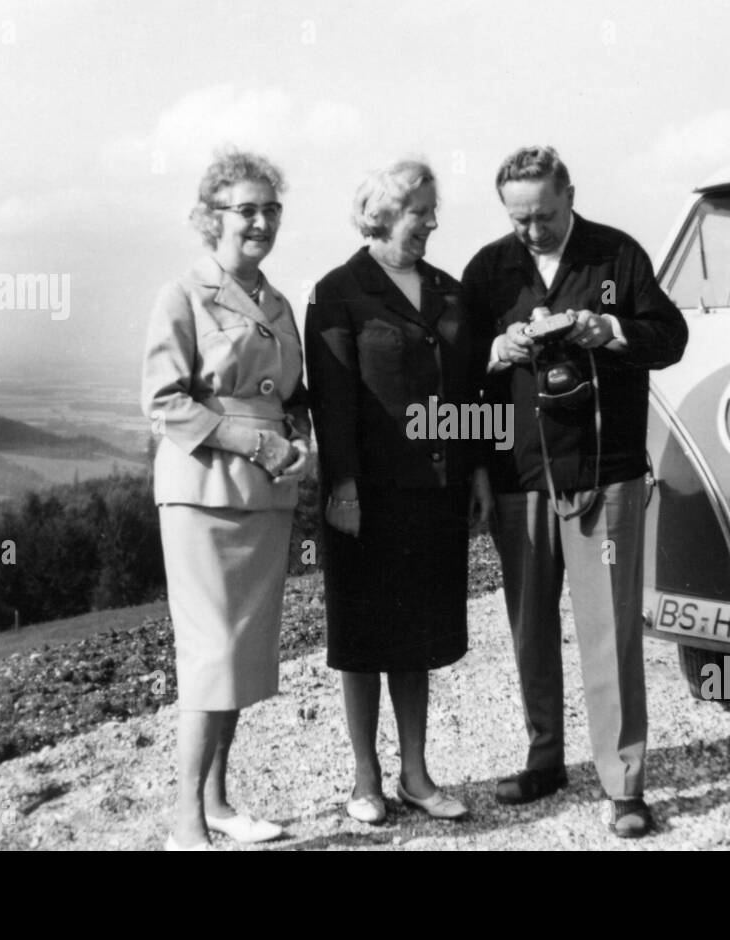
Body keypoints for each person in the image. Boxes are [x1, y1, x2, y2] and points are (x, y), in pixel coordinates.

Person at [460, 145, 688, 838]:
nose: (531, 231)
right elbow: (460, 368)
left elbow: (671, 335)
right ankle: (544, 760)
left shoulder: (617, 254)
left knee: (609, 631)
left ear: (570, 195)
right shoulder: (487, 268)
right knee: (529, 626)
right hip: (516, 475)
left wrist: (610, 330)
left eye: (544, 216)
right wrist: (498, 352)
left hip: (605, 472)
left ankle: (623, 785)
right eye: (519, 219)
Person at [305, 159, 492, 825]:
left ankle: (416, 774)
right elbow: (331, 405)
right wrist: (343, 490)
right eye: (421, 211)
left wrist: (472, 472)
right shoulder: (336, 292)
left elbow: (467, 390)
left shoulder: (448, 290)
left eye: (434, 210)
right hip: (364, 498)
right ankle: (366, 778)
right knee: (362, 639)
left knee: (418, 639)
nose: (433, 223)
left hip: (433, 496)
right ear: (384, 213)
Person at [142, 147, 312, 850]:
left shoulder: (276, 301)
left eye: (271, 210)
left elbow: (293, 395)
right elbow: (162, 400)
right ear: (212, 217)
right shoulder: (181, 294)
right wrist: (254, 443)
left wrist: (299, 438)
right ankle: (186, 820)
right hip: (204, 497)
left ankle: (217, 801)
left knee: (240, 655)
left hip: (266, 499)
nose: (261, 222)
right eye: (246, 209)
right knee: (211, 655)